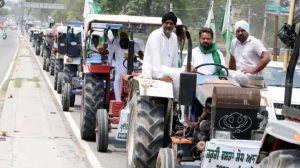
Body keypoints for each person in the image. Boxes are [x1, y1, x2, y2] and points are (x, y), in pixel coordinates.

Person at [142, 12, 179, 83]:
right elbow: (155, 57)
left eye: (171, 23)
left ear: (174, 25)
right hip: (152, 75)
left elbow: (175, 58)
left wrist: (175, 73)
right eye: (166, 23)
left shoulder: (174, 37)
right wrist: (160, 76)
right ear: (162, 23)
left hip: (167, 75)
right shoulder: (156, 35)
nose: (168, 25)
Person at [108, 31, 143, 101]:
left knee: (134, 82)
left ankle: (132, 100)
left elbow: (140, 54)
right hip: (119, 68)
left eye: (125, 37)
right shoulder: (116, 45)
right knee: (116, 81)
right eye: (122, 37)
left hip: (130, 68)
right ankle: (118, 100)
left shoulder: (134, 45)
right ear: (120, 38)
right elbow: (110, 54)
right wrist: (109, 64)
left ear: (127, 37)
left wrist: (144, 59)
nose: (123, 39)